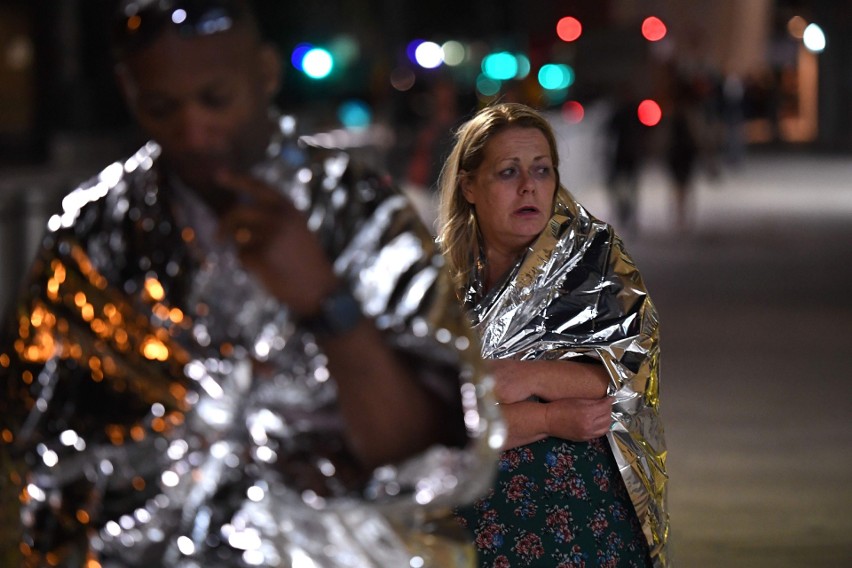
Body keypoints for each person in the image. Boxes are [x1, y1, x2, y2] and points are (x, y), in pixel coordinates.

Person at [0, 1, 503, 566]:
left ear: (264, 74)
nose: (193, 130)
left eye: (216, 98)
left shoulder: (360, 217)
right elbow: (41, 456)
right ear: (127, 89)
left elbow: (437, 452)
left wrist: (323, 300)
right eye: (160, 107)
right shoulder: (91, 237)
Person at [435, 103, 669, 567]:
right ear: (469, 187)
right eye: (508, 172)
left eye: (542, 170)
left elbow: (625, 375)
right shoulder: (432, 287)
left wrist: (528, 377)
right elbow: (430, 419)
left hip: (584, 519)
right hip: (469, 521)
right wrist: (548, 419)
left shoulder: (595, 264)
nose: (529, 186)